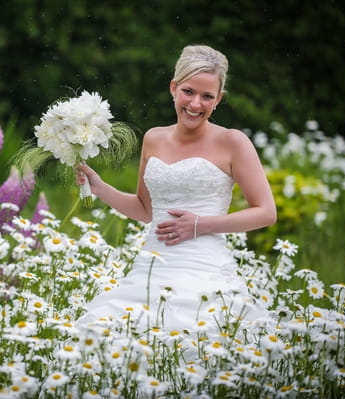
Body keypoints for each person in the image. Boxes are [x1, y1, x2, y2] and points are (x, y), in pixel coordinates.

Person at [75, 44, 277, 335]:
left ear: (218, 99)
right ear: (174, 88)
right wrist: (100, 188)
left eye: (207, 96)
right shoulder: (154, 138)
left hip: (204, 267)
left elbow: (266, 212)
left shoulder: (233, 143)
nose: (195, 104)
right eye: (189, 92)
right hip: (152, 266)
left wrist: (200, 224)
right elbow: (146, 211)